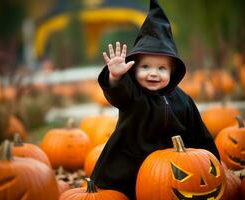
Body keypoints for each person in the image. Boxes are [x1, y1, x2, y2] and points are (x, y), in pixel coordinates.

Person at [90, 0, 220, 199]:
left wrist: (216, 163)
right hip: (128, 168)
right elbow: (119, 94)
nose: (153, 74)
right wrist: (115, 78)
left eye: (161, 68)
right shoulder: (133, 94)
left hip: (171, 172)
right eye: (145, 67)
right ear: (133, 69)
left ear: (172, 71)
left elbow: (199, 133)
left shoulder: (182, 100)